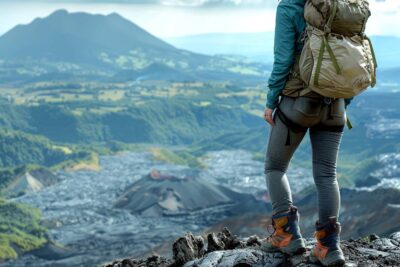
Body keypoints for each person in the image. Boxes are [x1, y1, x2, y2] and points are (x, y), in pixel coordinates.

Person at [261, 0, 352, 266]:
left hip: (299, 103)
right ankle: (328, 247)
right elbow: (352, 60)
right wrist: (344, 102)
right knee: (327, 175)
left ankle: (286, 236)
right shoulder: (340, 6)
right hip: (335, 103)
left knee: (275, 167)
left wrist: (270, 101)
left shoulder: (289, 6)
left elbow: (283, 58)